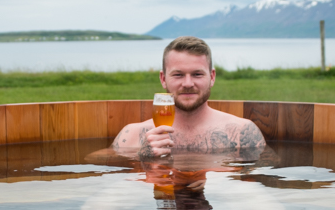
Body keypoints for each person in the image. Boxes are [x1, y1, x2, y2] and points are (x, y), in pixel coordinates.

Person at [112, 36, 266, 158]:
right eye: (178, 75)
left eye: (197, 74)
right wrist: (143, 157)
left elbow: (261, 178)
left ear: (212, 77)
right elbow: (105, 170)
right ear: (163, 79)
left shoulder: (242, 133)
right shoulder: (132, 135)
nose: (187, 83)